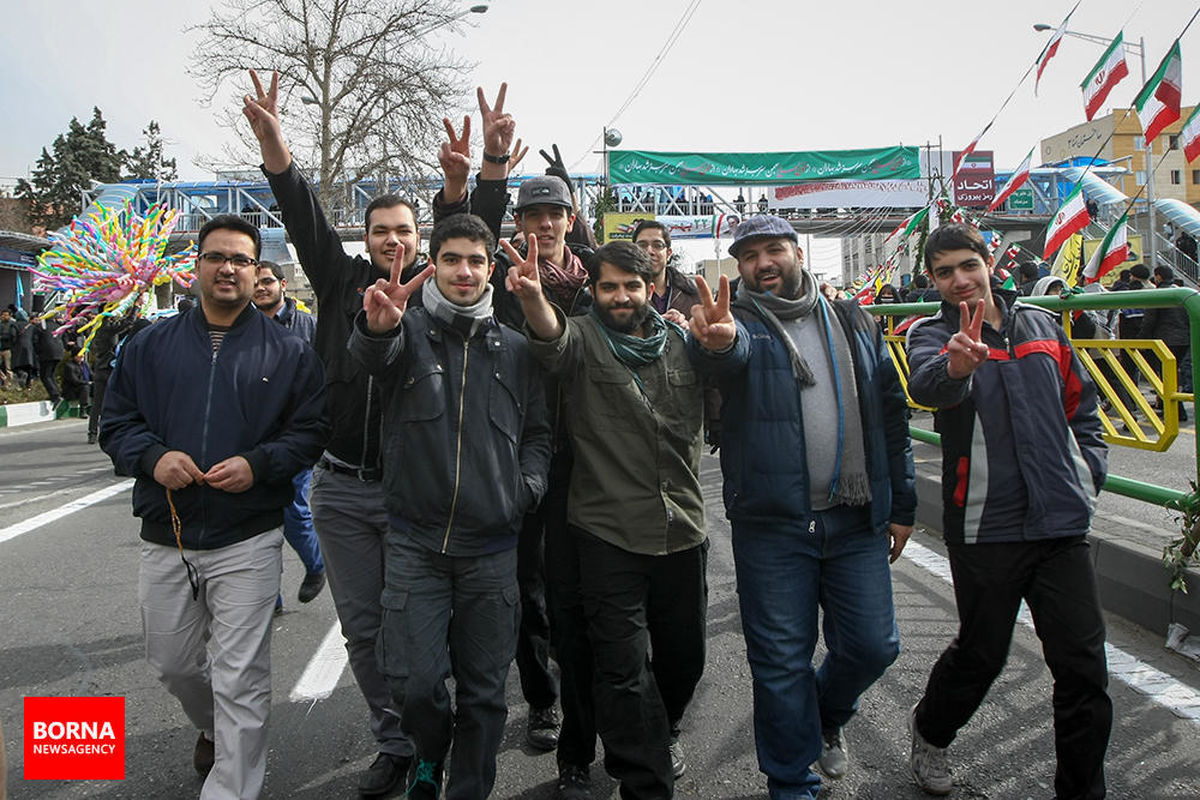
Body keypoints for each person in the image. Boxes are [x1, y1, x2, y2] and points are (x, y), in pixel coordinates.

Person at [100, 215, 328, 800]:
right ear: (196, 266)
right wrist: (152, 458)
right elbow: (117, 423)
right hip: (166, 534)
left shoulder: (289, 350)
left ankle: (233, 787)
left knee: (241, 676)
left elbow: (310, 431)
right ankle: (211, 725)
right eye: (216, 257)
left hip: (248, 536)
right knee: (174, 665)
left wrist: (260, 464)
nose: (228, 268)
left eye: (241, 260)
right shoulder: (149, 345)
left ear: (257, 273)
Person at [688, 215, 915, 800]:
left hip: (855, 516)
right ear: (738, 268)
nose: (763, 263)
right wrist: (713, 342)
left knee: (873, 646)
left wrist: (903, 504)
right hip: (773, 524)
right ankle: (791, 782)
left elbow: (890, 412)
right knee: (780, 663)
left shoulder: (853, 319)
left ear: (796, 253)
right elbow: (722, 354)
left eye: (773, 250)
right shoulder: (739, 324)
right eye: (749, 256)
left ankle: (821, 717)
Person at [243, 69, 421, 796]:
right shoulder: (340, 279)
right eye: (380, 232)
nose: (391, 242)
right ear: (366, 240)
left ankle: (436, 733)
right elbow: (304, 216)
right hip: (342, 492)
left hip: (418, 492)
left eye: (404, 231)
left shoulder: (445, 292)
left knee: (420, 627)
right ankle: (395, 744)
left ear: (420, 239)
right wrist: (277, 147)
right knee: (365, 629)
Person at [348, 213, 551, 800]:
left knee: (486, 689)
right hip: (416, 544)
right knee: (414, 684)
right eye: (453, 259)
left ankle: (468, 788)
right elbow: (372, 360)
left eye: (477, 261)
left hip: (492, 548)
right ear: (432, 263)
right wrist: (378, 329)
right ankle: (428, 757)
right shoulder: (404, 330)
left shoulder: (516, 348)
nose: (465, 272)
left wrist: (525, 489)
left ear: (491, 269)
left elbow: (539, 433)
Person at [905, 223, 1111, 798]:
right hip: (983, 526)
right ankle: (931, 727)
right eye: (943, 272)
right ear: (932, 279)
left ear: (988, 261)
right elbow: (927, 386)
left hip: (1061, 523)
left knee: (1084, 672)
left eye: (966, 265)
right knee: (982, 653)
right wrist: (958, 368)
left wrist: (1086, 474)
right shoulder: (929, 333)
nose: (958, 280)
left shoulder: (1044, 324)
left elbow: (1082, 406)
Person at [433, 86, 595, 793]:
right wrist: (491, 162)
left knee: (583, 590)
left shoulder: (601, 285)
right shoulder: (497, 279)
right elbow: (466, 226)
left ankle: (603, 710)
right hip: (520, 458)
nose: (544, 225)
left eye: (555, 214)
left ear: (569, 220)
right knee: (527, 590)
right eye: (532, 215)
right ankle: (545, 701)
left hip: (592, 464)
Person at [510, 238, 709, 798]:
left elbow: (726, 363)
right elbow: (550, 337)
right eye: (608, 286)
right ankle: (644, 779)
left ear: (651, 286)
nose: (620, 296)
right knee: (620, 668)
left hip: (682, 527)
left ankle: (659, 730)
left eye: (631, 285)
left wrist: (723, 341)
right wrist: (531, 297)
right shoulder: (583, 340)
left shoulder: (682, 343)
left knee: (684, 660)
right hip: (606, 532)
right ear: (593, 292)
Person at [253, 260, 325, 606]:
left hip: (295, 435)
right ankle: (271, 596)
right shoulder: (242, 328)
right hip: (252, 436)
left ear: (283, 285)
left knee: (294, 511)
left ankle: (316, 565)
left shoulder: (307, 326)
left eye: (267, 281)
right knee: (258, 522)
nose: (261, 288)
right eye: (256, 283)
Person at [1142, 265, 1192, 422]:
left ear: (1158, 277)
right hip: (1184, 340)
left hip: (1164, 341)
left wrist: (1142, 339)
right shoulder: (1183, 293)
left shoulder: (1159, 295)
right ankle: (1176, 409)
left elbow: (1149, 320)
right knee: (1175, 375)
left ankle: (1174, 411)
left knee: (1165, 377)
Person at [30, 316, 63, 405]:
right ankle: (57, 393)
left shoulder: (41, 326)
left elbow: (35, 341)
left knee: (45, 375)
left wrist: (38, 352)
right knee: (51, 374)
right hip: (59, 353)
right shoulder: (57, 325)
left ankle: (55, 396)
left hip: (46, 353)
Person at [0, 308, 16, 386]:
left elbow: (12, 336)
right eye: (3, 315)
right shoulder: (0, 324)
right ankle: (4, 379)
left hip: (7, 348)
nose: (4, 316)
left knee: (8, 368)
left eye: (6, 315)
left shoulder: (12, 324)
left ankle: (9, 384)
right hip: (1, 347)